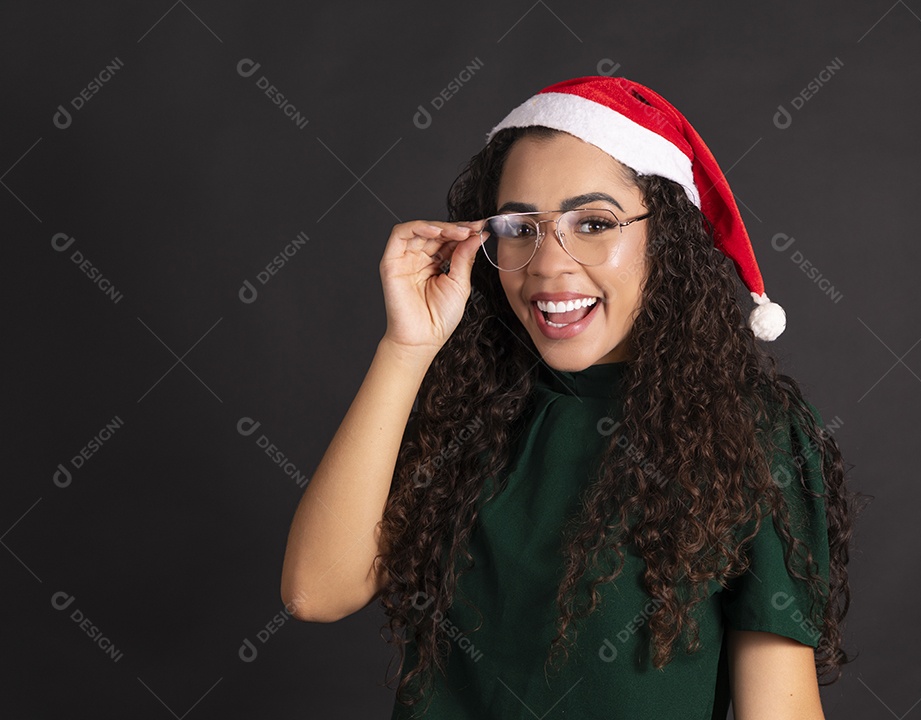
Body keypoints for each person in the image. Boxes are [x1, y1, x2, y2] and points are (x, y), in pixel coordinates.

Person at [281, 76, 859, 719]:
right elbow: (315, 592)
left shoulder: (750, 431)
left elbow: (779, 708)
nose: (548, 264)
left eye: (593, 223)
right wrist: (405, 348)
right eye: (519, 226)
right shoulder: (467, 407)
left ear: (666, 237)